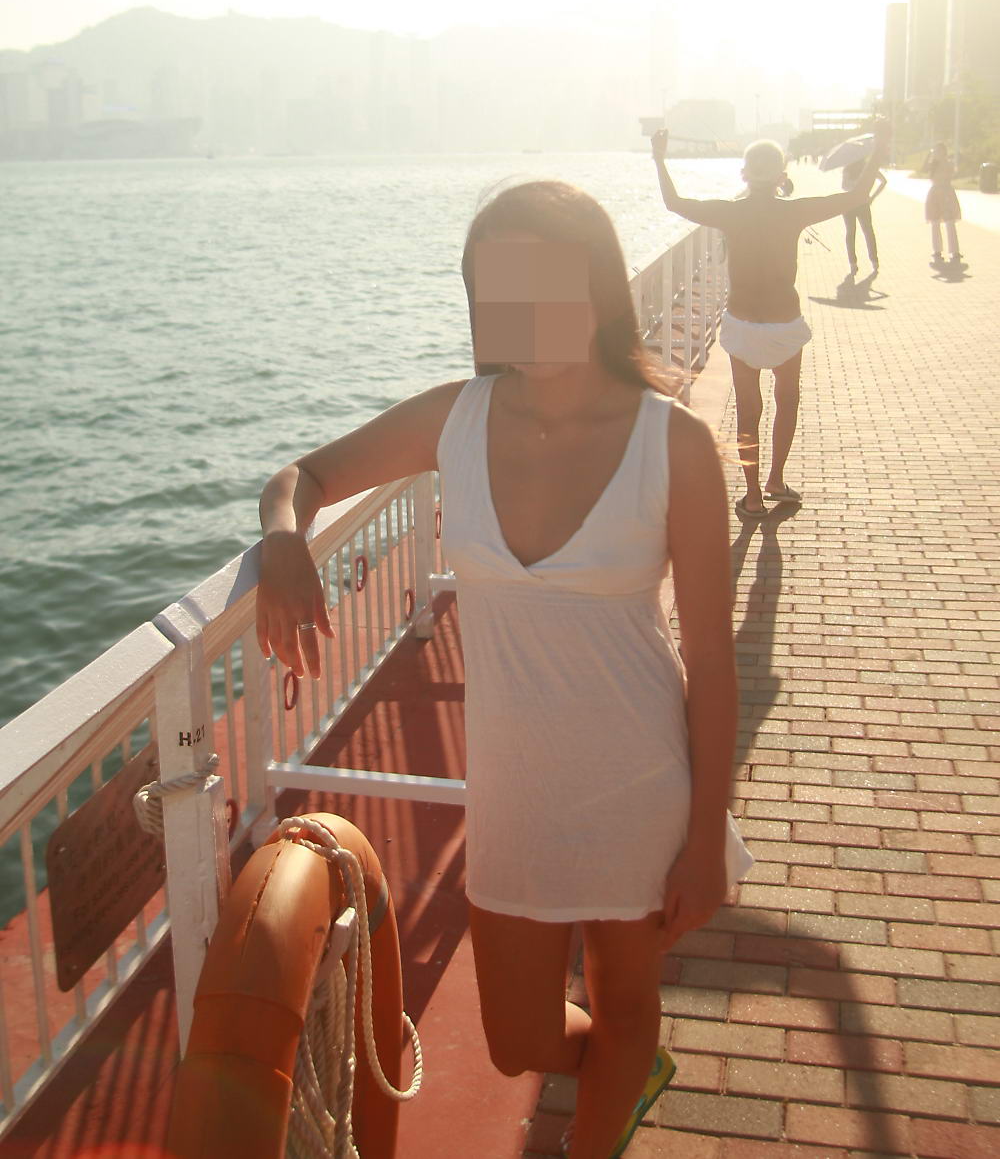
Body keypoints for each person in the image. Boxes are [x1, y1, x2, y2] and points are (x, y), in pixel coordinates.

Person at [256, 179, 754, 1159]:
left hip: (641, 784)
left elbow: (709, 658)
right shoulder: (456, 417)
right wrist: (282, 542)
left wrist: (704, 838)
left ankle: (596, 1134)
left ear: (596, 285)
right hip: (515, 794)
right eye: (499, 288)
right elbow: (301, 478)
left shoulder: (675, 444)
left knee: (625, 1000)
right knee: (515, 1038)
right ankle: (628, 1070)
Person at [651, 121, 889, 519]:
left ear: (744, 173)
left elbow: (674, 202)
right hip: (785, 323)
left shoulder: (730, 213)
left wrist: (659, 159)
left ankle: (753, 495)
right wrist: (879, 147)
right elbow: (857, 195)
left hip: (743, 323)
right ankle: (775, 479)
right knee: (787, 399)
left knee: (749, 410)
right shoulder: (794, 211)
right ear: (782, 175)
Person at [841, 153, 886, 274]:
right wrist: (872, 196)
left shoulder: (847, 168)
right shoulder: (869, 169)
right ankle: (874, 261)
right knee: (868, 231)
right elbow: (884, 181)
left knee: (851, 233)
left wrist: (854, 185)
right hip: (863, 203)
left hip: (848, 203)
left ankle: (853, 263)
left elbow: (844, 186)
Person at [925, 147, 963, 263]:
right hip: (935, 193)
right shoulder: (932, 164)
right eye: (936, 152)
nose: (937, 154)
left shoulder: (949, 163)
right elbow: (924, 169)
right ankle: (937, 250)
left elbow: (953, 173)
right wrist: (929, 157)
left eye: (939, 152)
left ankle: (954, 251)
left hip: (947, 193)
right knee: (935, 222)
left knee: (950, 222)